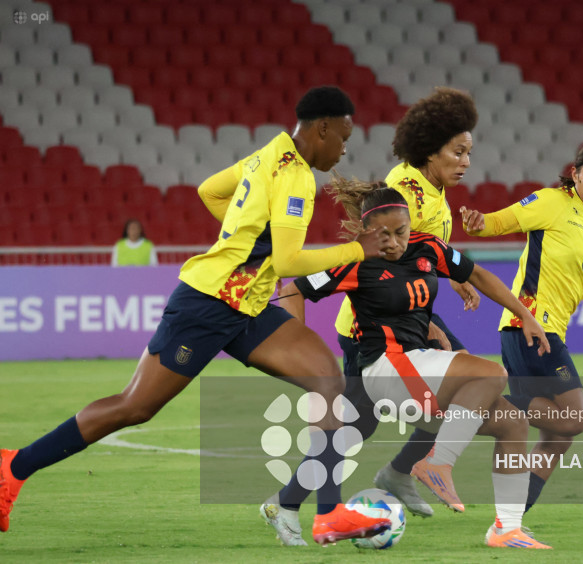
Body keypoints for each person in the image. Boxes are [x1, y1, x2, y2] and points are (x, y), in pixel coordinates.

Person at [0, 86, 394, 546]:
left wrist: (245, 232)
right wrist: (357, 249)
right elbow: (288, 262)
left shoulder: (268, 153)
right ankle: (12, 468)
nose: (345, 148)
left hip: (246, 305)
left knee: (328, 379)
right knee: (135, 406)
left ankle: (328, 515)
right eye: (343, 136)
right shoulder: (296, 177)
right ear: (322, 128)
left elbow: (209, 191)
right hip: (207, 305)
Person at [281, 183, 554, 549]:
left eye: (401, 232)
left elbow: (478, 276)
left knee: (513, 423)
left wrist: (525, 315)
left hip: (421, 368)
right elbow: (293, 290)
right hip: (385, 369)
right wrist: (299, 346)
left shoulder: (429, 247)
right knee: (490, 372)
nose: (393, 242)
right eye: (384, 235)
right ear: (366, 232)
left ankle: (506, 528)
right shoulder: (356, 259)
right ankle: (435, 463)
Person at [262, 88, 481, 540]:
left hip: (407, 322)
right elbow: (383, 258)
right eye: (458, 152)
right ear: (429, 150)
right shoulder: (406, 188)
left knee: (368, 422)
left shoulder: (435, 193)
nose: (465, 161)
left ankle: (389, 476)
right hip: (374, 331)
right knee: (455, 397)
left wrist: (450, 282)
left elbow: (418, 257)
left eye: (468, 153)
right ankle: (302, 498)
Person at [460, 141, 583, 531]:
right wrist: (478, 222)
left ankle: (509, 522)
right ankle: (476, 407)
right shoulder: (552, 202)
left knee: (558, 437)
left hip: (550, 332)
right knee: (576, 419)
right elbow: (501, 222)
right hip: (529, 326)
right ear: (577, 172)